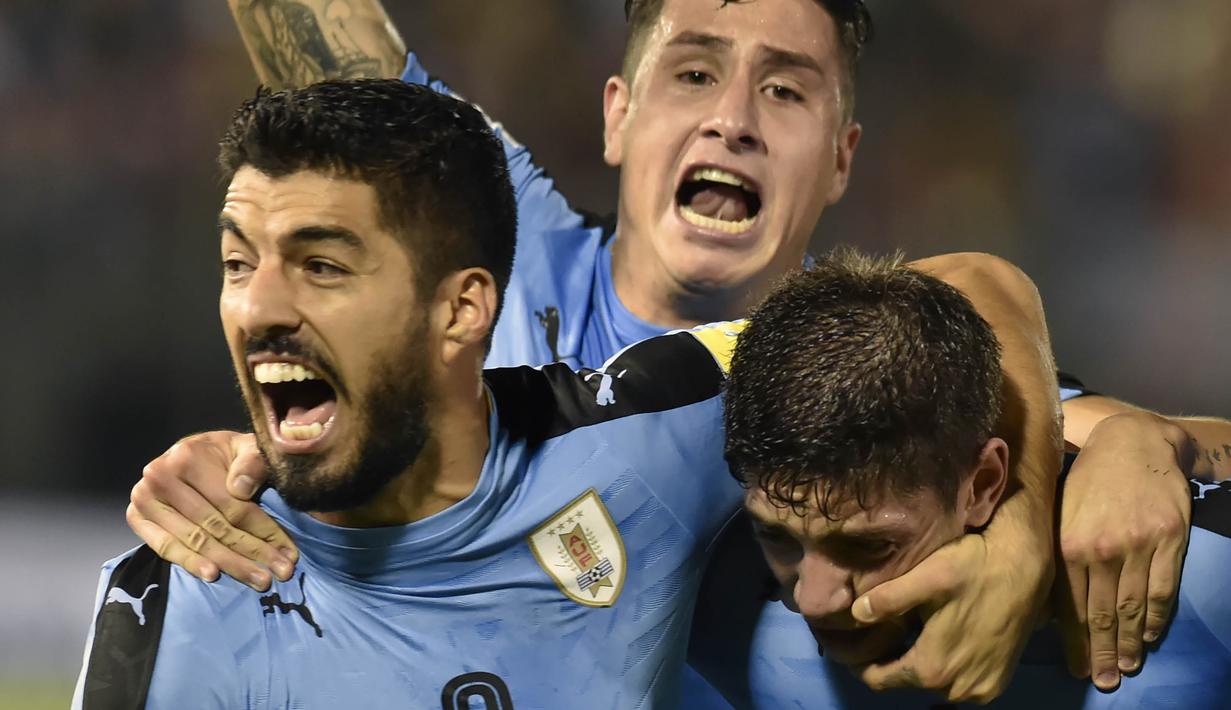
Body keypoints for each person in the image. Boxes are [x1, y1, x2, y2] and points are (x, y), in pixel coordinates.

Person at [124, 0, 1231, 701]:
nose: (733, 119)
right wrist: (258, 451)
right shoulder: (494, 247)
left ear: (842, 160)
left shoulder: (853, 383)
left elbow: (986, 298)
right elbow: (324, 53)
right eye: (693, 72)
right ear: (616, 117)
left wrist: (1125, 452)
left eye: (785, 89)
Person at [76, 78, 751, 709]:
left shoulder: (651, 432)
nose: (257, 308)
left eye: (321, 266)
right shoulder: (180, 605)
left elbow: (848, 338)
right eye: (238, 264)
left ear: (460, 310)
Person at [714, 251, 1231, 707]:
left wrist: (1145, 437)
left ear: (984, 485)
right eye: (777, 536)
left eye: (870, 546)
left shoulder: (954, 419)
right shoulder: (698, 552)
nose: (814, 599)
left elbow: (976, 279)